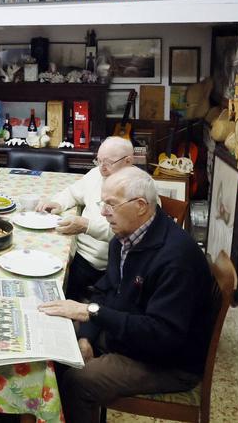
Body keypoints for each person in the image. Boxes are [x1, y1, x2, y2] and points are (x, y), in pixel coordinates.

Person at [40, 167, 215, 423]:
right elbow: (104, 291)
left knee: (78, 381)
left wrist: (92, 313)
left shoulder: (176, 259)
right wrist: (87, 337)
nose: (103, 212)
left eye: (111, 204)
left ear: (141, 205)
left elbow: (162, 335)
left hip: (167, 362)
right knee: (56, 337)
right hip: (132, 335)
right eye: (102, 203)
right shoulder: (124, 238)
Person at [37, 136, 134, 301]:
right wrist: (58, 203)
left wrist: (87, 226)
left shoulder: (137, 188)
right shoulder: (96, 174)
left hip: (113, 266)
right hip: (80, 254)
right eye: (98, 161)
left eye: (108, 163)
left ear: (128, 161)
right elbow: (73, 192)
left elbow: (125, 231)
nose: (102, 168)